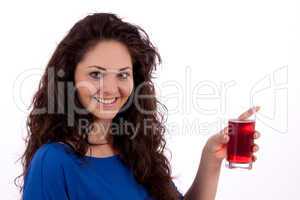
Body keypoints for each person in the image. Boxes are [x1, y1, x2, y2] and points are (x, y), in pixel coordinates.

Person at [18, 13, 260, 200]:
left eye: (123, 75)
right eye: (95, 74)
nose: (111, 88)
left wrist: (211, 159)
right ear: (69, 78)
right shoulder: (53, 162)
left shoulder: (135, 150)